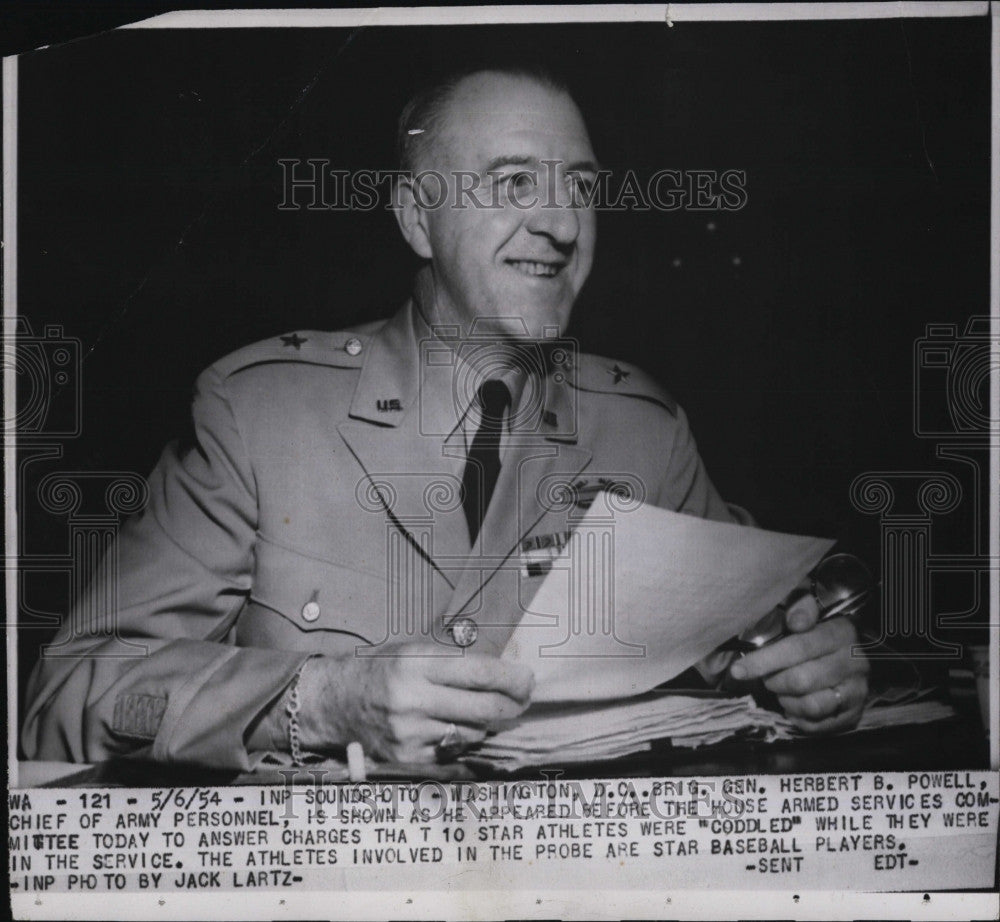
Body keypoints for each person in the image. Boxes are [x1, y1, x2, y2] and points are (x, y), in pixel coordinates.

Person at [22, 66, 869, 771]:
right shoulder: (259, 415)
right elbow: (69, 699)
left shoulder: (645, 431)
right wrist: (315, 701)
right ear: (415, 218)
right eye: (512, 184)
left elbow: (760, 644)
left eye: (581, 188)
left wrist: (808, 669)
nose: (562, 225)